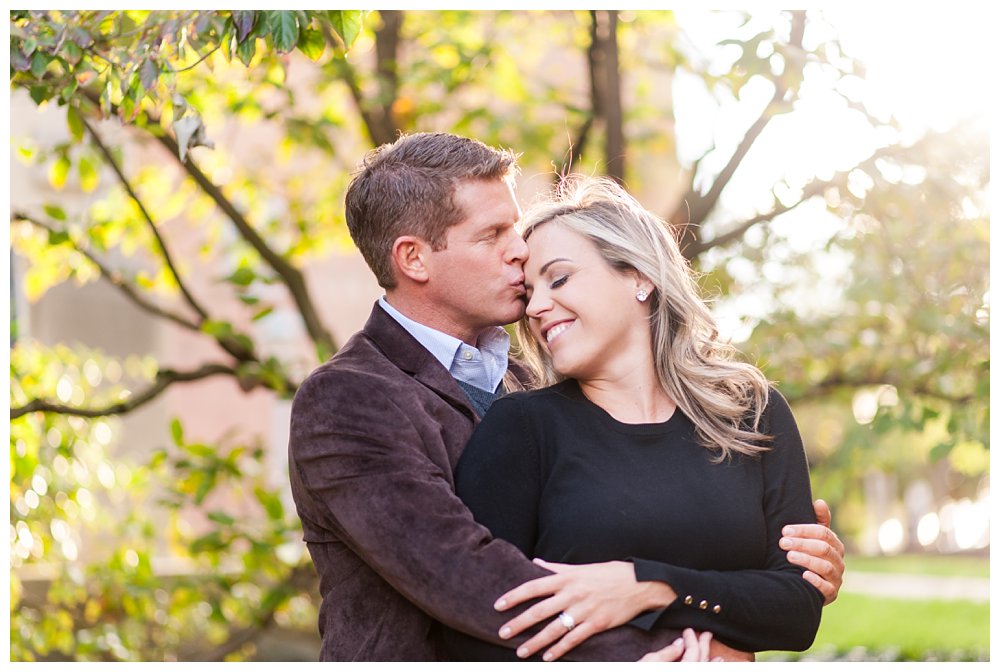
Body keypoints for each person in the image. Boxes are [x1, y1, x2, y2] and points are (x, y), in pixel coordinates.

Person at [287, 132, 845, 661]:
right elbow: (472, 582)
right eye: (493, 235)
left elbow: (777, 589)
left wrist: (768, 576)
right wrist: (681, 649)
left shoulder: (533, 384)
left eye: (518, 231)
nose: (518, 251)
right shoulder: (349, 400)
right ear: (414, 259)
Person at [445, 174, 826, 660]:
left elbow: (796, 611)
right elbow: (476, 630)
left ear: (639, 276)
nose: (537, 307)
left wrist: (652, 587)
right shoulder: (520, 429)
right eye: (529, 293)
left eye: (558, 279)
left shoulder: (751, 413)